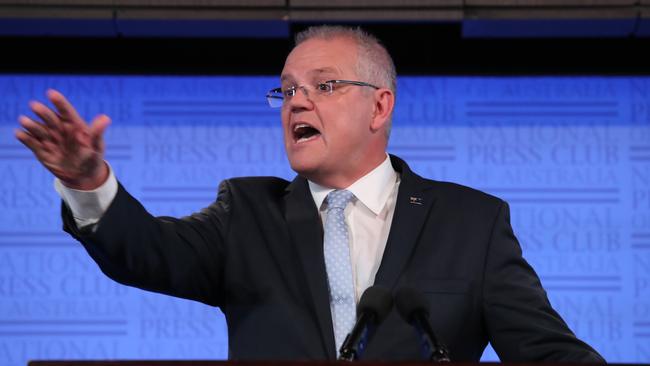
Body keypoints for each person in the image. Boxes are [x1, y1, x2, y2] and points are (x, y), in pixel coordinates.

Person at [15, 25, 605, 362]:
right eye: (287, 91)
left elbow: (545, 352)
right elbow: (147, 251)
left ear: (381, 105)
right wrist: (87, 182)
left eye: (324, 86)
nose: (297, 102)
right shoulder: (246, 213)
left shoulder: (471, 222)